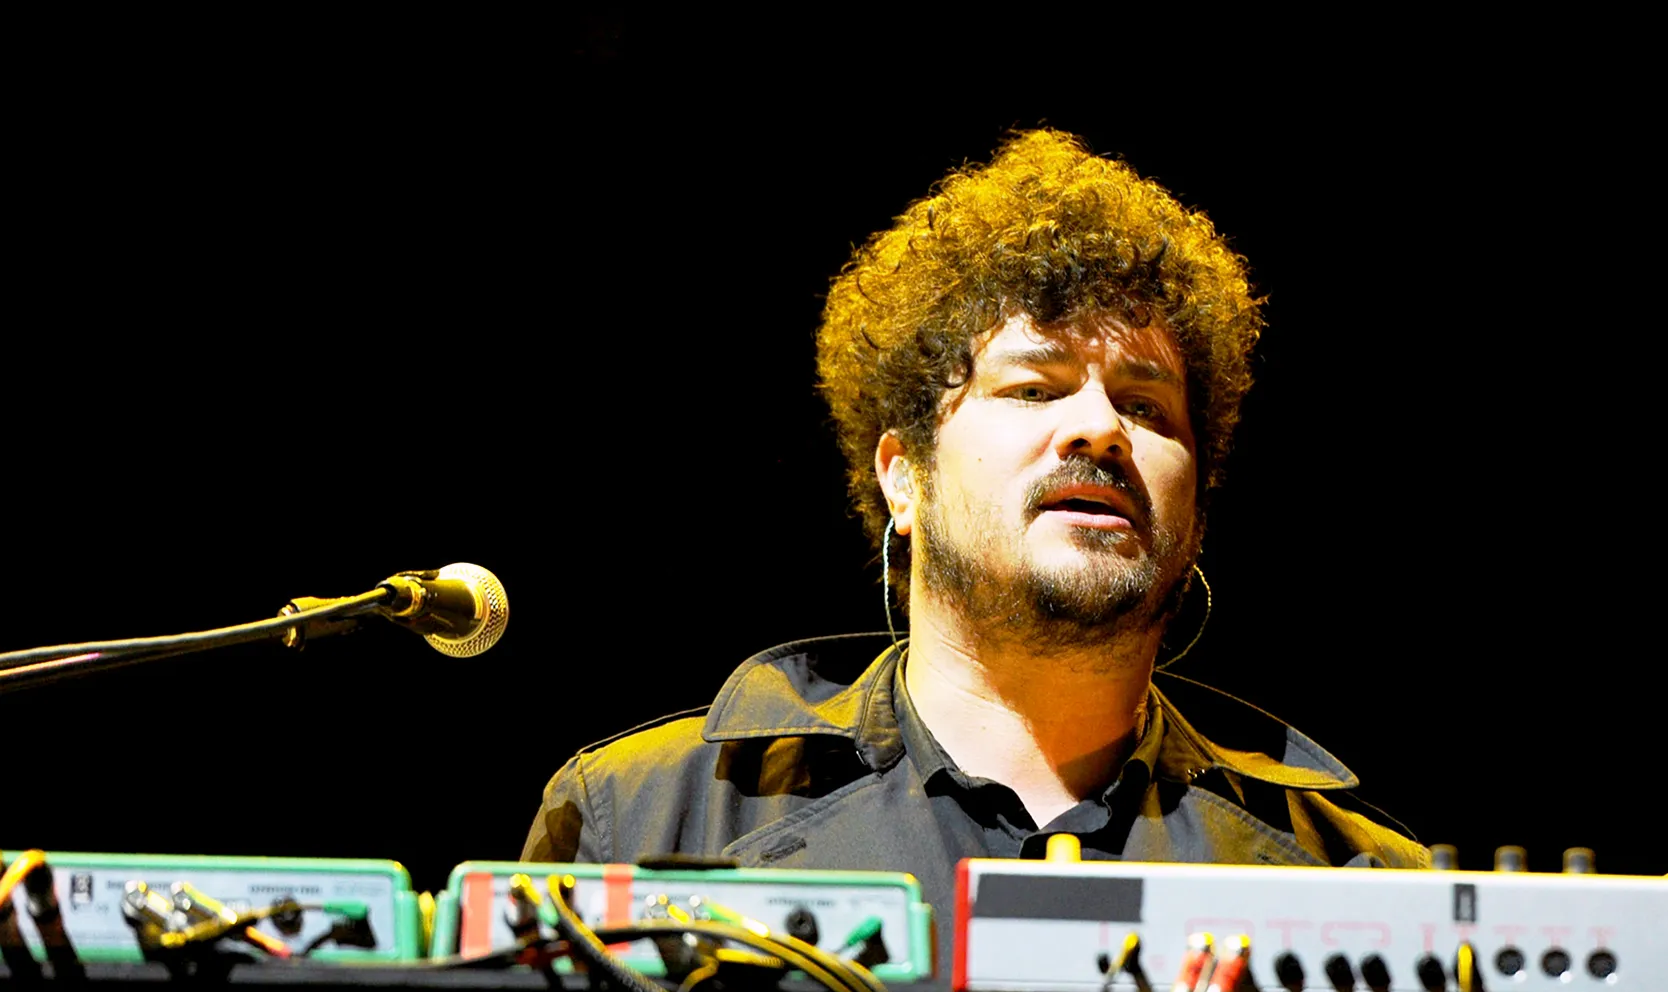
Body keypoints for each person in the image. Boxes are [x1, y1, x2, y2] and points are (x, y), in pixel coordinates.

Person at [522, 131, 1426, 946]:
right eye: (1034, 388)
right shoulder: (638, 820)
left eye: (1146, 407)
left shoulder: (1360, 881)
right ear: (903, 475)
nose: (1100, 429)